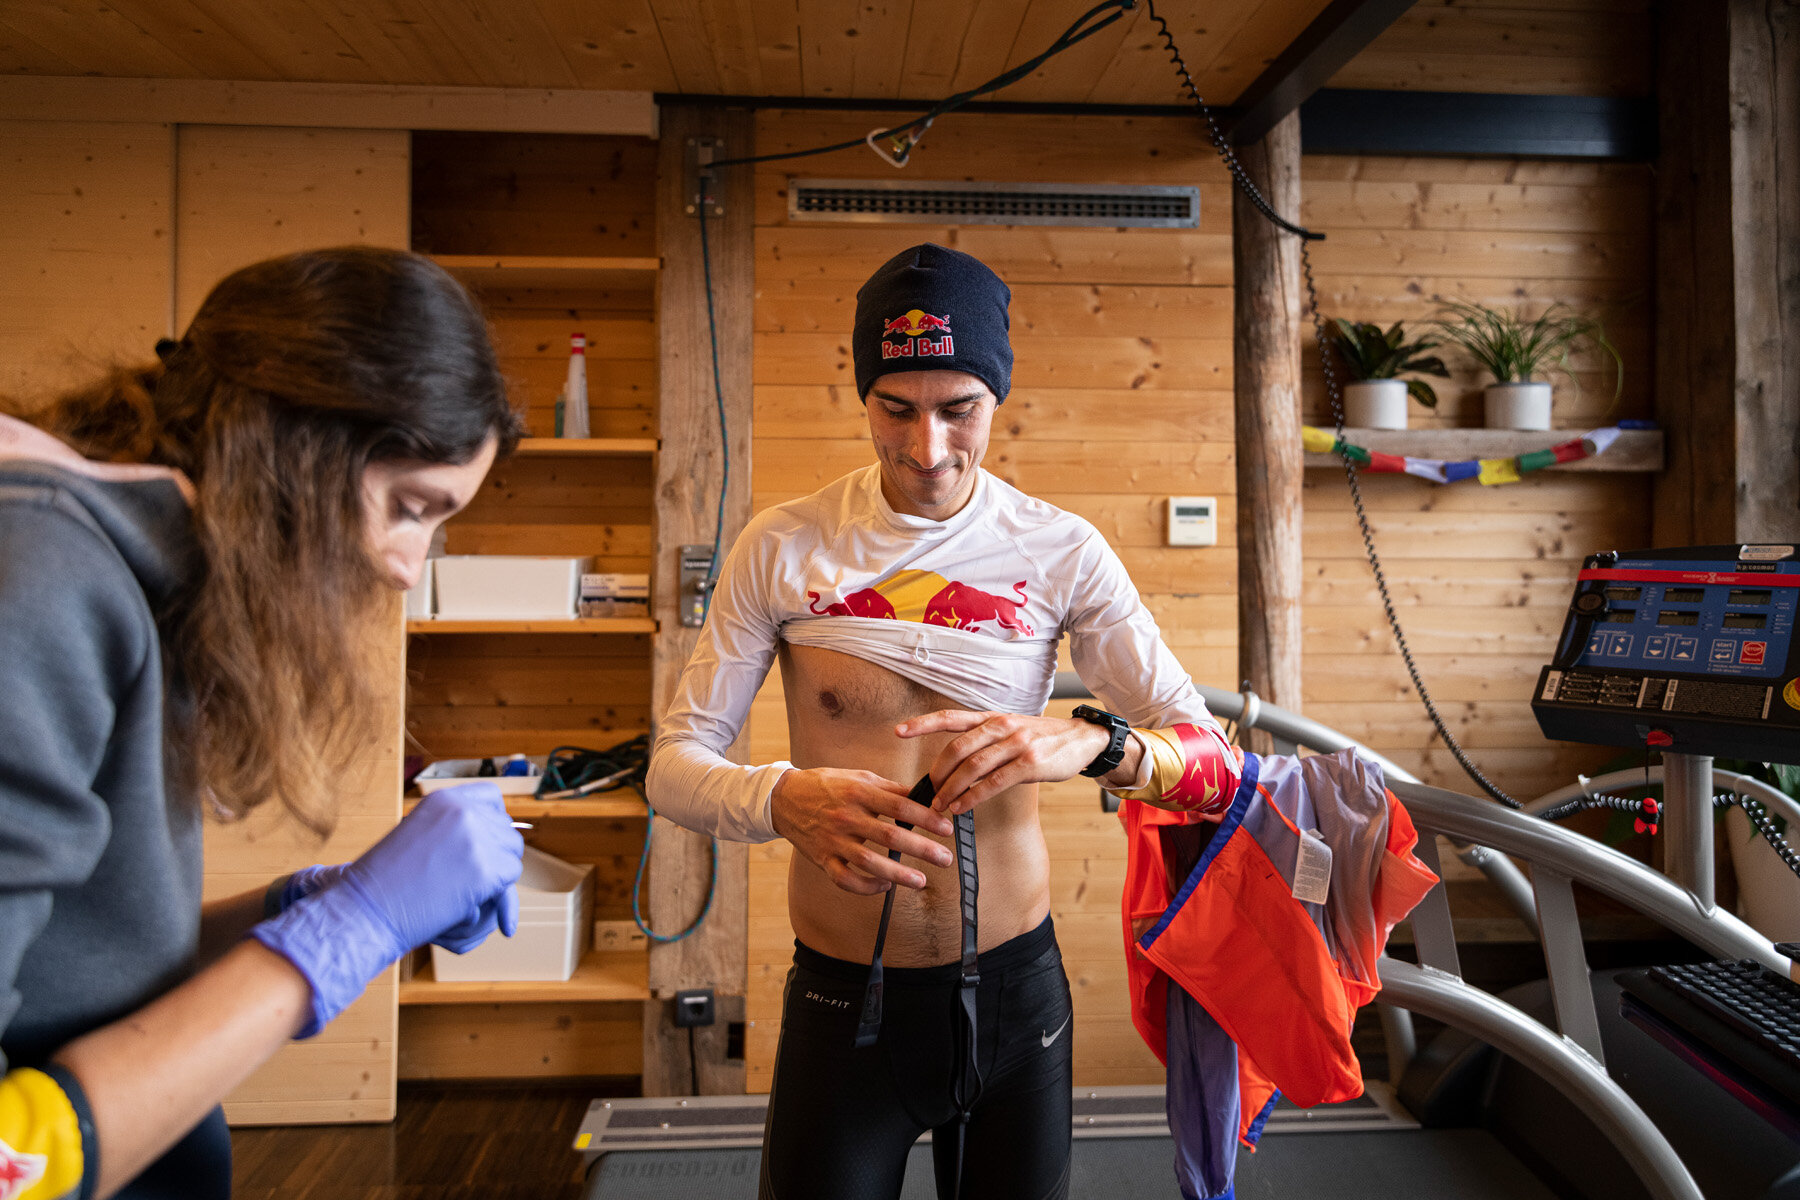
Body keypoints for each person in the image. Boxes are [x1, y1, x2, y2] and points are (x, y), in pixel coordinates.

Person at [647, 243, 1244, 1200]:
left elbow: (1217, 762)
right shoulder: (785, 545)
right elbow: (671, 767)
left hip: (1018, 1001)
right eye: (897, 408)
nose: (927, 448)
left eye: (958, 409)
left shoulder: (1060, 551)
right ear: (865, 397)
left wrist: (1092, 741)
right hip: (845, 1003)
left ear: (996, 399)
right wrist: (782, 799)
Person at [0, 246, 528, 1200]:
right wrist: (348, 935)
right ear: (296, 446)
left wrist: (307, 908)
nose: (409, 567)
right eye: (411, 508)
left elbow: (72, 963)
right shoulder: (39, 584)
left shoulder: (128, 577)